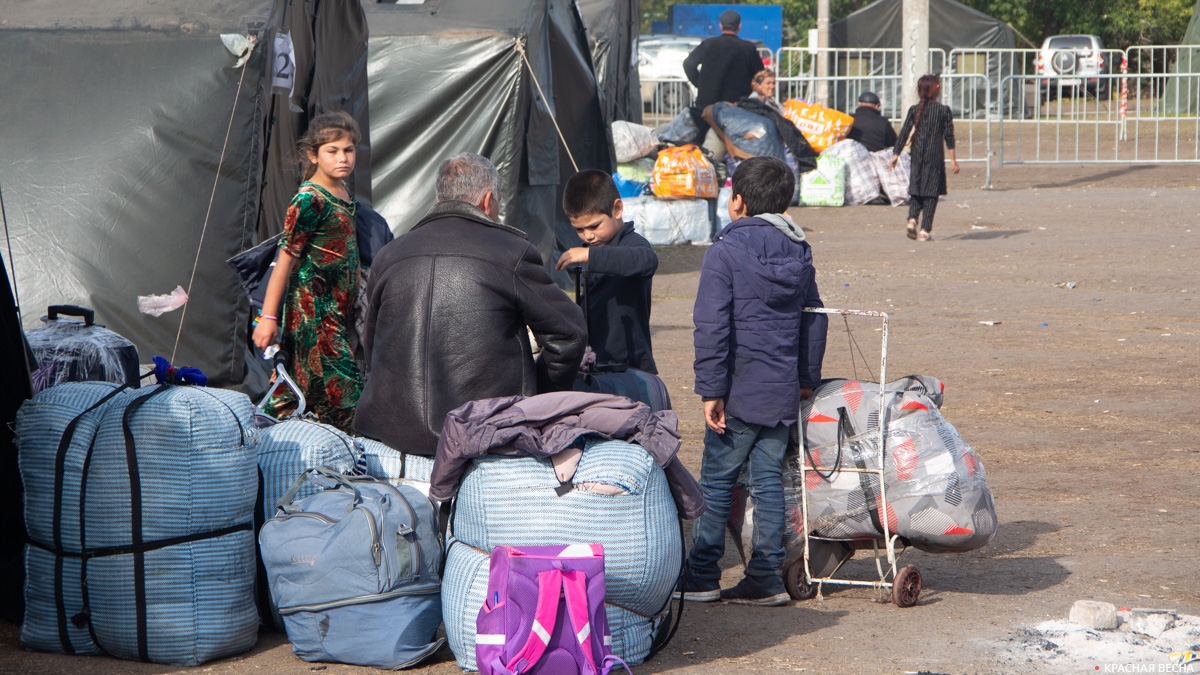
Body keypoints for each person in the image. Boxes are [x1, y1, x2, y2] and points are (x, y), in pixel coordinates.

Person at [353, 153, 587, 455]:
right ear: (488, 200)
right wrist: (539, 395)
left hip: (393, 433)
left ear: (439, 198)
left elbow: (372, 344)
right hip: (485, 432)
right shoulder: (512, 252)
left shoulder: (389, 254)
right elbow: (569, 335)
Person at [681, 156, 827, 606]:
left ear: (737, 200)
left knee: (718, 480)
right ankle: (765, 576)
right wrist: (806, 379)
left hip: (739, 391)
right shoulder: (799, 251)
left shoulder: (723, 252)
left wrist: (712, 390)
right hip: (780, 388)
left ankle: (703, 574)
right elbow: (814, 321)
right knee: (767, 481)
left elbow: (712, 326)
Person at [252, 111, 364, 432]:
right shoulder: (308, 200)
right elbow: (285, 261)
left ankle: (276, 439)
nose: (342, 158)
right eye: (333, 151)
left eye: (349, 150)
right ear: (313, 155)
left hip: (336, 312)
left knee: (301, 391)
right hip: (312, 314)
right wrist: (269, 319)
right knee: (346, 394)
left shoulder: (341, 191)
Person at [555, 169, 658, 374]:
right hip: (596, 363)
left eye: (594, 226)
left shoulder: (631, 243)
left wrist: (590, 257)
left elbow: (647, 261)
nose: (588, 236)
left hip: (630, 367)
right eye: (580, 230)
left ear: (617, 209)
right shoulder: (592, 250)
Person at [891, 74, 959, 241]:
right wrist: (953, 160)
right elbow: (949, 136)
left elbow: (905, 132)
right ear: (934, 88)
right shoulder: (943, 110)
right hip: (934, 154)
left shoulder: (914, 110)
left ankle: (912, 218)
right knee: (931, 192)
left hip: (917, 152)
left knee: (916, 188)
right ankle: (924, 231)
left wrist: (896, 154)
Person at [683, 10, 763, 109]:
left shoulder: (708, 44)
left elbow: (688, 64)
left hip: (706, 105)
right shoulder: (748, 48)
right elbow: (760, 74)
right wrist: (747, 90)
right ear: (739, 26)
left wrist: (701, 85)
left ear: (720, 26)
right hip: (736, 106)